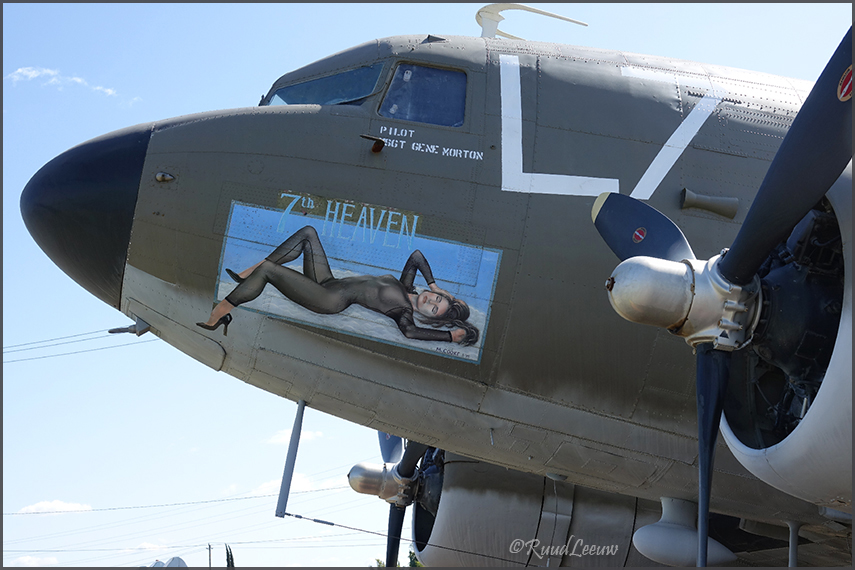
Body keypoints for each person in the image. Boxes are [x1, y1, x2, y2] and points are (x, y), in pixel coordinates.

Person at [197, 225, 479, 346]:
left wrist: (448, 337)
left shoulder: (402, 311)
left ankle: (218, 315)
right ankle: (249, 274)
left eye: (433, 309)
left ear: (428, 317)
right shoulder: (408, 288)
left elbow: (409, 333)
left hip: (328, 300)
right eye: (435, 298)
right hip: (328, 283)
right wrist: (436, 283)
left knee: (271, 271)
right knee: (308, 233)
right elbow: (416, 256)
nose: (430, 301)